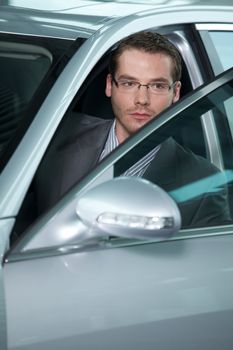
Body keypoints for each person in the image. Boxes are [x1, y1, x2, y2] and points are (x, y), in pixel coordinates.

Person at [35, 31, 231, 228]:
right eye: (129, 83)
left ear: (176, 92)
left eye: (157, 85)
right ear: (110, 86)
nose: (142, 100)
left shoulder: (205, 183)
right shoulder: (54, 136)